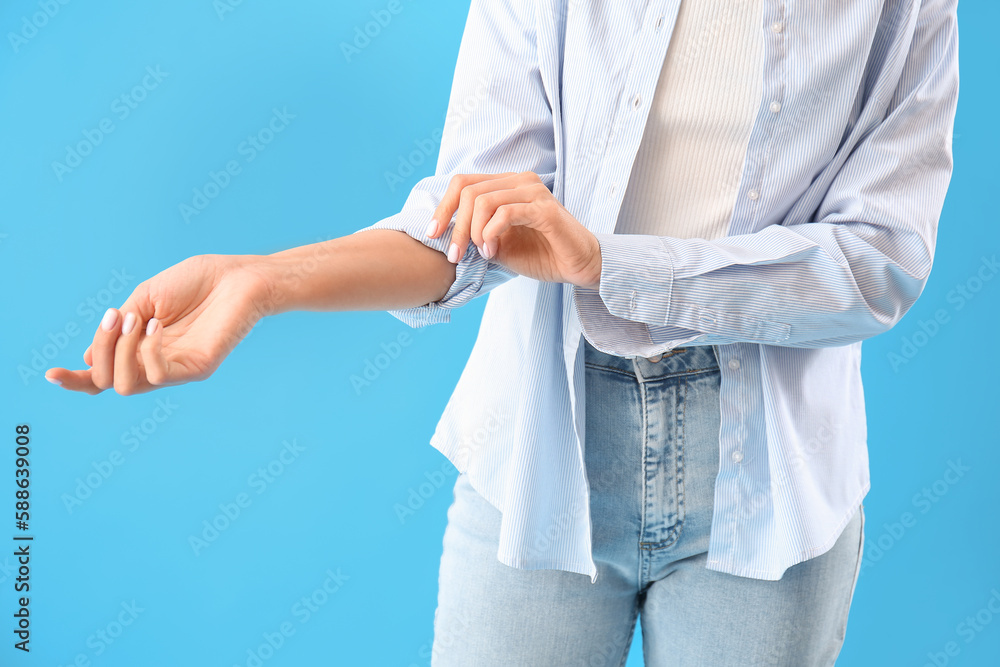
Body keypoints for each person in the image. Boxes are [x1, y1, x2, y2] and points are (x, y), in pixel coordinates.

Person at [46, 0, 959, 664]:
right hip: (539, 450)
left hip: (772, 485)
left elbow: (879, 262)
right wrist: (262, 282)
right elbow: (470, 223)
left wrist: (607, 262)